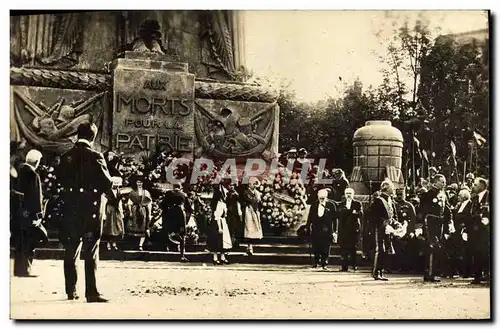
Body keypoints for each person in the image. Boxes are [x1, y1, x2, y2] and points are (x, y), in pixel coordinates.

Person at [58, 123, 113, 303]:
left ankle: (71, 291)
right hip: (91, 210)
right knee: (91, 249)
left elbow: (59, 181)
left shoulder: (66, 156)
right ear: (93, 137)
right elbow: (106, 182)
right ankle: (91, 292)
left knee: (71, 248)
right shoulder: (96, 156)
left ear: (77, 135)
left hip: (71, 210)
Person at [416, 174, 454, 283]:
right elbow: (421, 211)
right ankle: (429, 273)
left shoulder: (443, 194)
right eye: (442, 182)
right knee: (431, 246)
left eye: (444, 182)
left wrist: (450, 222)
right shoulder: (428, 195)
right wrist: (419, 226)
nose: (444, 184)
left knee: (438, 247)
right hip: (430, 223)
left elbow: (447, 209)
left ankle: (433, 272)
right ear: (436, 182)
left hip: (440, 224)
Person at [13, 149, 45, 277]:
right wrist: (38, 216)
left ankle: (18, 269)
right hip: (30, 214)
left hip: (18, 213)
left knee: (20, 243)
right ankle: (25, 269)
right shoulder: (33, 175)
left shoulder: (18, 172)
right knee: (29, 243)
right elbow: (36, 197)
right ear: (36, 162)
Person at [369, 180, 398, 281]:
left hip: (387, 229)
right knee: (380, 250)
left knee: (385, 250)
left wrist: (396, 223)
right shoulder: (378, 200)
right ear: (386, 188)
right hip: (379, 228)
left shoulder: (390, 200)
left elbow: (390, 216)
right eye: (392, 188)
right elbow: (373, 216)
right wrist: (383, 224)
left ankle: (381, 271)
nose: (394, 189)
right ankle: (376, 272)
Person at [306, 189, 337, 270]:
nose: (322, 200)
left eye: (323, 198)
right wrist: (307, 227)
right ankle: (316, 263)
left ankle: (324, 264)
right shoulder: (314, 205)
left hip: (327, 230)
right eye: (320, 198)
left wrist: (335, 231)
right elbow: (310, 217)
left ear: (326, 197)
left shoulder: (331, 205)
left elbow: (335, 219)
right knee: (316, 246)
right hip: (316, 229)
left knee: (326, 247)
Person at [161, 183, 191, 262]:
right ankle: (182, 255)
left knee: (168, 231)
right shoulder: (184, 195)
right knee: (182, 234)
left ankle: (167, 249)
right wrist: (187, 219)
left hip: (170, 214)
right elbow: (189, 208)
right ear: (180, 188)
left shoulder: (168, 193)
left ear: (173, 187)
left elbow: (163, 205)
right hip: (181, 215)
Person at [468, 177, 490, 284]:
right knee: (477, 252)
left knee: (485, 252)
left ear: (482, 186)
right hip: (476, 230)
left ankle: (487, 274)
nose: (473, 186)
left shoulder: (489, 196)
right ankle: (477, 276)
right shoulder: (474, 198)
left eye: (475, 185)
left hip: (486, 230)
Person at [337, 188, 363, 271]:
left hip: (353, 229)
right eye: (347, 193)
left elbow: (360, 214)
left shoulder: (357, 204)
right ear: (345, 194)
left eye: (350, 193)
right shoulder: (341, 204)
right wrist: (351, 212)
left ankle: (354, 265)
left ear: (353, 194)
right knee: (343, 249)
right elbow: (339, 214)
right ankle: (344, 267)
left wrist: (348, 212)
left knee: (353, 248)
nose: (348, 195)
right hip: (343, 229)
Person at [126, 175, 153, 251]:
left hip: (143, 211)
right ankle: (134, 244)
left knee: (143, 227)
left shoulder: (146, 192)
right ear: (136, 183)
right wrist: (131, 212)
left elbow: (149, 203)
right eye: (138, 182)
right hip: (135, 210)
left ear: (143, 183)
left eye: (140, 182)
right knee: (134, 226)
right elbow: (129, 203)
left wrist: (149, 213)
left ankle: (140, 245)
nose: (139, 184)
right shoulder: (132, 192)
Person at [208, 183, 233, 265]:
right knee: (217, 240)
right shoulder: (218, 204)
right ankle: (215, 257)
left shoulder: (223, 204)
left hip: (223, 221)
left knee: (223, 241)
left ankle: (223, 257)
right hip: (218, 222)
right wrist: (219, 227)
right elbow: (217, 216)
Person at [393, 187, 417, 272]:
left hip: (407, 230)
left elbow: (413, 220)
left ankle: (407, 267)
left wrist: (411, 232)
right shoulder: (394, 205)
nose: (400, 196)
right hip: (396, 230)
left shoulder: (409, 206)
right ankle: (396, 266)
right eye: (398, 194)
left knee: (408, 247)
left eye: (401, 194)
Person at [101, 176, 126, 251]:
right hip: (109, 209)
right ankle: (108, 243)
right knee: (109, 227)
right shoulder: (107, 192)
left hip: (116, 210)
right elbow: (104, 203)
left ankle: (114, 243)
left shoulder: (119, 191)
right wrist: (104, 213)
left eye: (117, 184)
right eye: (115, 183)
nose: (116, 185)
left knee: (117, 226)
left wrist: (121, 212)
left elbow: (120, 203)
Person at [240, 177, 263, 255]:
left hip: (255, 211)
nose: (255, 185)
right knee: (249, 228)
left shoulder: (256, 193)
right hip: (249, 211)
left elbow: (258, 201)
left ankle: (251, 246)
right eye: (253, 184)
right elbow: (248, 200)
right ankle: (249, 246)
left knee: (254, 229)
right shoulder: (246, 192)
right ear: (249, 184)